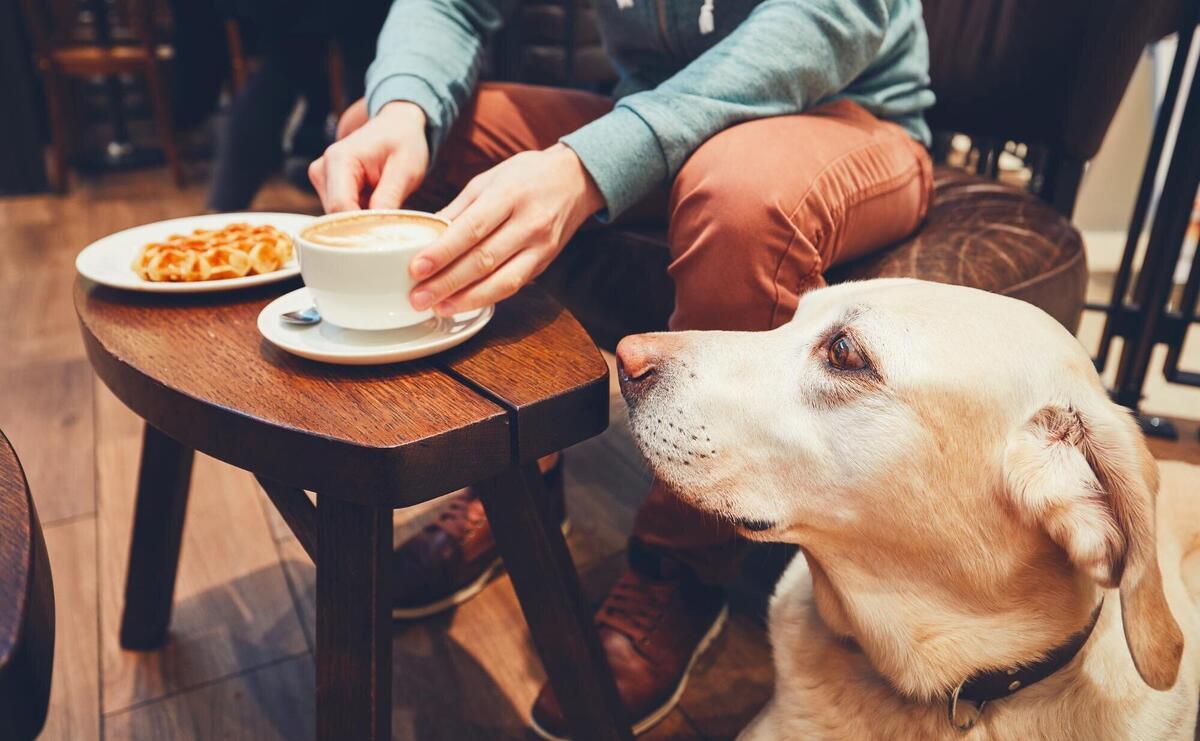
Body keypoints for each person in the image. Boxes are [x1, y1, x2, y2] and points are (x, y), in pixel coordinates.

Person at [310, 0, 934, 736]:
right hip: (648, 107)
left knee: (740, 198)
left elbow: (829, 18)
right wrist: (404, 107)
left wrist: (591, 162)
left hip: (842, 110)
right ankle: (514, 478)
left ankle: (682, 561)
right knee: (401, 133)